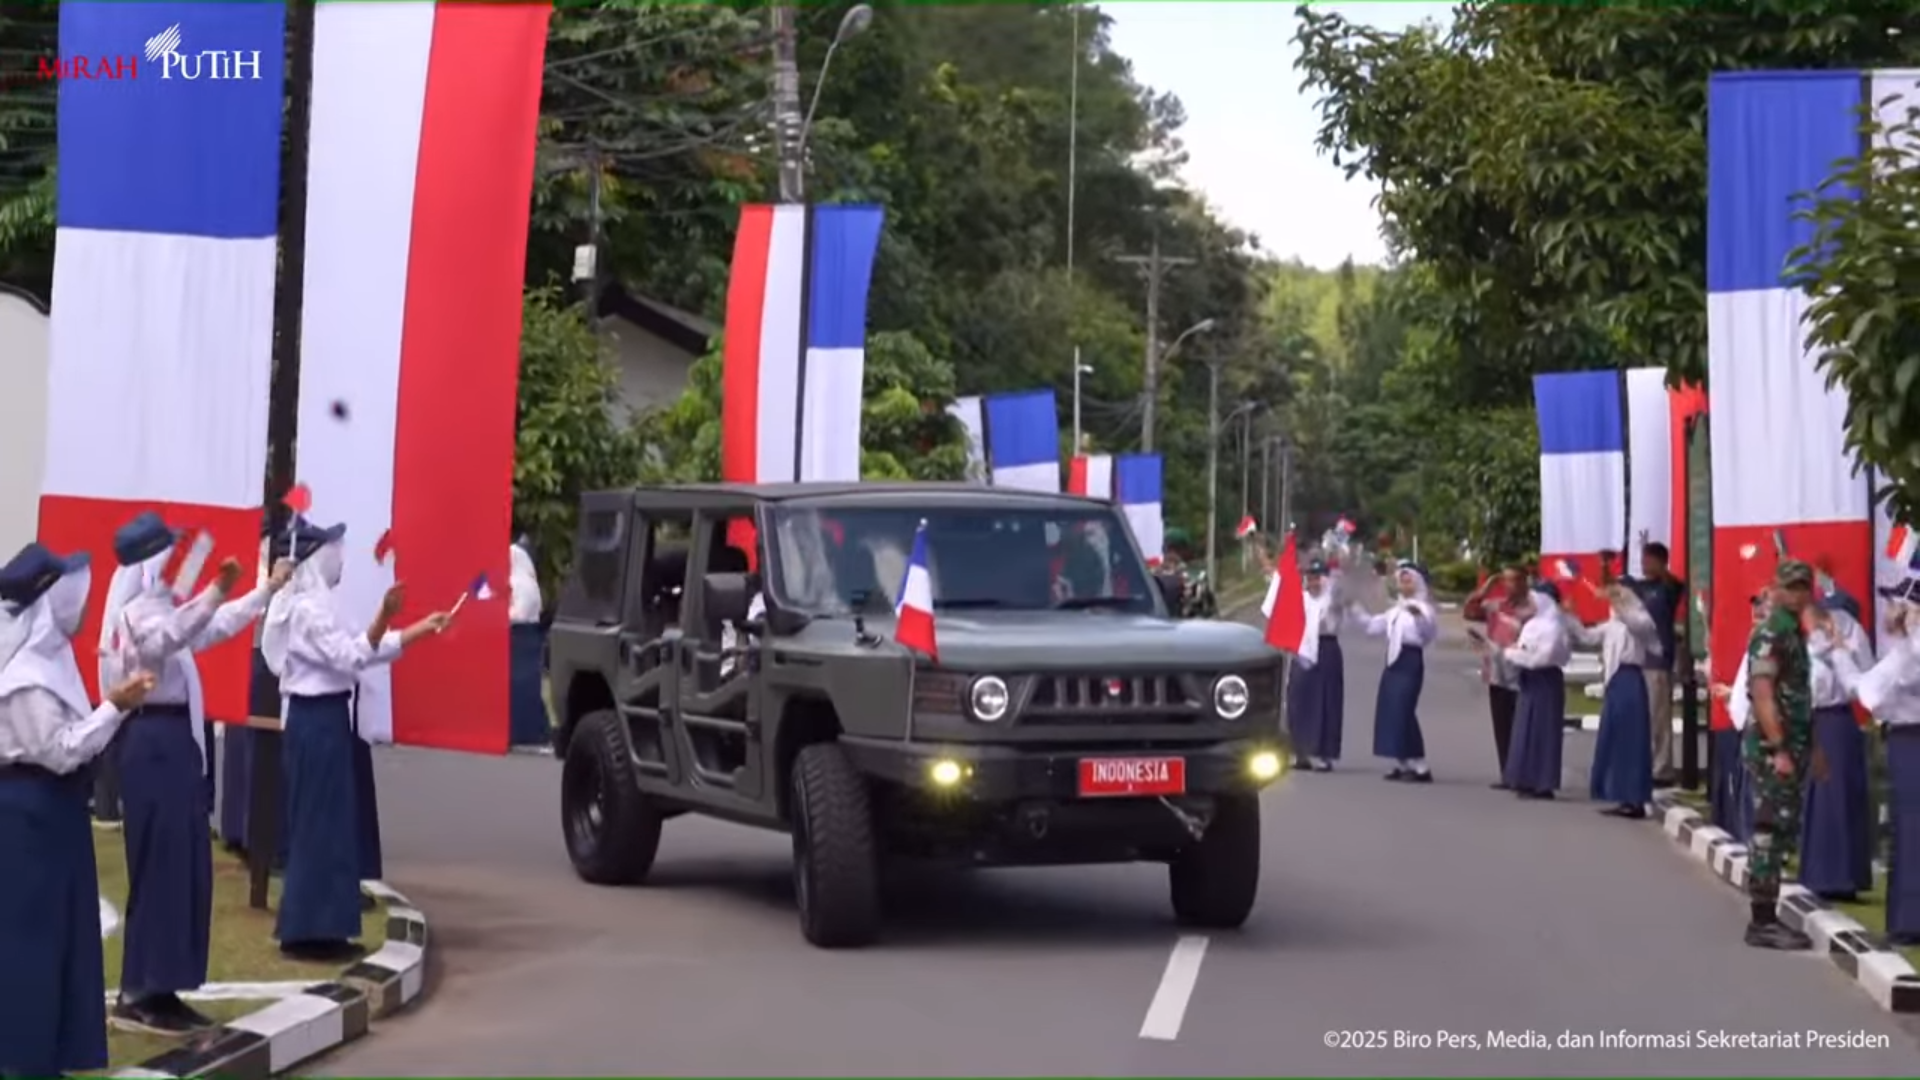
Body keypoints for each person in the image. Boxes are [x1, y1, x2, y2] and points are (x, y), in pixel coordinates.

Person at [97, 512, 291, 1034]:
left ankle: (165, 986)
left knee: (182, 868)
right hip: (152, 743)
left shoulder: (167, 610)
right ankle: (141, 991)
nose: (180, 561)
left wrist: (264, 591)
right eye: (170, 552)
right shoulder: (135, 616)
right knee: (159, 867)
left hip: (174, 744)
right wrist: (214, 591)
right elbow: (168, 637)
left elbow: (214, 624)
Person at [0, 543, 156, 1078]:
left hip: (56, 814)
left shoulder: (51, 660)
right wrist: (116, 707)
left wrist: (112, 707)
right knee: (30, 940)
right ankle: (22, 1058)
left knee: (65, 935)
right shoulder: (23, 677)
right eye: (76, 594)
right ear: (53, 601)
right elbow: (60, 750)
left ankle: (52, 1051)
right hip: (29, 817)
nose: (86, 605)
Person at [262, 519, 451, 960]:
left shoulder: (322, 605)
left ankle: (327, 928)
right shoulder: (308, 610)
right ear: (314, 559)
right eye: (334, 549)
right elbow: (350, 657)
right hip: (316, 720)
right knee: (317, 827)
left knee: (331, 825)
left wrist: (418, 629)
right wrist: (385, 614)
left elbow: (365, 648)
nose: (341, 557)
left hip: (327, 719)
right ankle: (306, 932)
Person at [1828, 577, 1920, 942]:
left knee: (1909, 832)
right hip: (1906, 738)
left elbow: (1869, 694)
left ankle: (1909, 922)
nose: (1888, 610)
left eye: (1895, 603)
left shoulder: (1909, 651)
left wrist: (1840, 654)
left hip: (1910, 740)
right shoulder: (1906, 649)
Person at [1741, 559, 1819, 951]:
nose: (1798, 594)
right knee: (1770, 830)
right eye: (1791, 587)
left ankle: (1767, 914)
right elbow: (1763, 693)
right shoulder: (1772, 633)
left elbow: (1798, 696)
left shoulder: (1793, 632)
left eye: (1804, 587)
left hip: (1791, 746)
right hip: (1773, 750)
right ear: (1778, 588)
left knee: (1780, 827)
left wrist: (1811, 748)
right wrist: (1779, 747)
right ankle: (1762, 921)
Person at [1798, 591, 1878, 902]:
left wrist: (1838, 650)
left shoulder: (1850, 638)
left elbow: (1861, 682)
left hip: (1839, 721)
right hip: (1817, 720)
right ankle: (1819, 873)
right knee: (1820, 797)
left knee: (1841, 797)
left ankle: (1843, 876)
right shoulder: (1811, 642)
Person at [1576, 583, 1659, 818]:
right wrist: (1568, 618)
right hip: (1614, 681)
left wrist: (1618, 601)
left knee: (1630, 740)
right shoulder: (1612, 624)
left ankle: (1634, 798)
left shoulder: (1641, 619)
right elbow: (1587, 637)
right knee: (1615, 739)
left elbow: (1636, 625)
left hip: (1630, 678)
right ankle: (1619, 794)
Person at [1357, 561, 1436, 782]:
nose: (1404, 584)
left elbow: (1428, 634)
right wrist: (1353, 609)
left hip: (1410, 660)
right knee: (1390, 711)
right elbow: (1373, 626)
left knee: (1404, 710)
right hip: (1393, 661)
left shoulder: (1424, 609)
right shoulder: (1396, 610)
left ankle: (1420, 765)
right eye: (1402, 580)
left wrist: (1418, 617)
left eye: (1408, 580)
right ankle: (1402, 762)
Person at [1616, 541, 1685, 787]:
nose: (1645, 565)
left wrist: (1662, 571)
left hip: (1658, 660)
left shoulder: (1668, 588)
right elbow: (1614, 587)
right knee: (1640, 718)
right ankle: (1643, 765)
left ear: (1662, 562)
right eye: (1643, 560)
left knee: (1658, 718)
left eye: (1649, 560)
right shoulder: (1639, 587)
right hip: (1637, 659)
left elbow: (1675, 585)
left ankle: (1662, 770)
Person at [1502, 580, 1573, 800]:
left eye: (1533, 599)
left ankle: (1543, 783)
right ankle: (1524, 778)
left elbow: (1543, 657)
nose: (1530, 603)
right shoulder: (1532, 625)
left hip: (1546, 679)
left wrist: (1512, 654)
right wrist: (1516, 652)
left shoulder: (1555, 627)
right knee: (1525, 728)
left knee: (1543, 731)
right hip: (1529, 680)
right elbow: (1524, 649)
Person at [1709, 593, 1768, 843]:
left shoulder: (1771, 646)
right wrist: (1732, 694)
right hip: (1748, 726)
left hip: (1762, 728)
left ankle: (1757, 846)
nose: (1756, 617)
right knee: (1746, 792)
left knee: (1756, 795)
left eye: (1763, 612)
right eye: (1755, 611)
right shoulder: (1755, 643)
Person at [1465, 566, 1529, 787]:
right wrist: (1485, 589)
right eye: (1505, 580)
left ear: (1523, 583)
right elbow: (1470, 610)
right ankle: (1507, 773)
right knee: (1501, 726)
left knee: (1519, 725)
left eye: (1513, 580)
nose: (1508, 585)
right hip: (1495, 671)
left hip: (1518, 672)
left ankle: (1522, 773)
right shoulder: (1496, 604)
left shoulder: (1529, 609)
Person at [1287, 558, 1343, 772]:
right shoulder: (1300, 599)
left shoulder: (1332, 601)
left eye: (1317, 578)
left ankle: (1323, 753)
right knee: (1298, 700)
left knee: (1325, 701)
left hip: (1325, 648)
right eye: (1309, 578)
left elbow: (1328, 615)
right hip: (1302, 649)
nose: (1313, 583)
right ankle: (1299, 752)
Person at [507, 538, 550, 747]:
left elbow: (520, 614)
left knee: (523, 687)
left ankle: (532, 734)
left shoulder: (523, 584)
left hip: (523, 637)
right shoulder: (514, 580)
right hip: (519, 638)